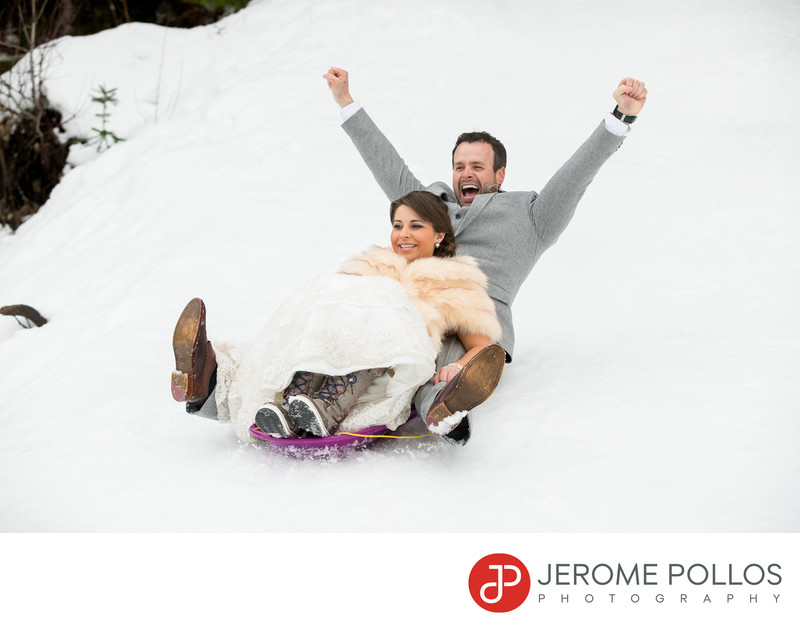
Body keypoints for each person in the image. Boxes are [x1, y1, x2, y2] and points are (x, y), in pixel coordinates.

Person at [323, 67, 647, 445]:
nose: (466, 174)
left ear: (499, 174)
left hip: (475, 316)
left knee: (447, 350)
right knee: (368, 325)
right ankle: (313, 396)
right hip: (415, 299)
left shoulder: (532, 216)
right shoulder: (430, 204)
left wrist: (620, 117)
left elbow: (577, 175)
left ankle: (444, 405)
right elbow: (387, 165)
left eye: (477, 166)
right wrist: (346, 101)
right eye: (460, 166)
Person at [171, 191, 504, 444]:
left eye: (416, 226)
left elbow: (481, 345)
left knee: (381, 321)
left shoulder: (456, 281)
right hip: (339, 347)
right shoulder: (373, 265)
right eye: (398, 225)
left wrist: (459, 367)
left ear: (440, 235)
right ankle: (275, 399)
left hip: (389, 362)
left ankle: (325, 407)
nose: (403, 233)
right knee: (323, 311)